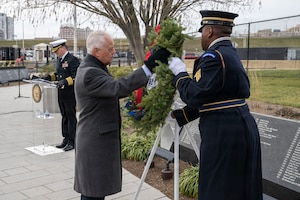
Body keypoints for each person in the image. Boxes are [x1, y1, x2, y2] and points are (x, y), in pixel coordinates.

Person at [168, 10, 263, 200]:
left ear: (209, 31)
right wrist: (181, 116)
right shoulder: (229, 53)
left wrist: (179, 74)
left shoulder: (213, 57)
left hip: (223, 133)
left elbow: (195, 95)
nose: (201, 36)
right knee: (241, 190)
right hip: (240, 126)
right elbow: (216, 97)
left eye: (202, 31)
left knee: (218, 189)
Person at [73, 30, 170, 200]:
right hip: (95, 141)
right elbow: (118, 87)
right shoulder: (90, 72)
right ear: (96, 51)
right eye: (110, 49)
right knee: (92, 194)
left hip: (95, 139)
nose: (114, 52)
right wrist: (147, 68)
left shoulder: (95, 67)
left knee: (95, 191)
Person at [43, 39, 80, 151]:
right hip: (61, 93)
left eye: (57, 50)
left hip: (69, 93)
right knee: (64, 116)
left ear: (63, 48)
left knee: (70, 117)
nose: (55, 53)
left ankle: (72, 141)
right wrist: (49, 77)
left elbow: (76, 76)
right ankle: (66, 138)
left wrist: (65, 81)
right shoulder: (60, 60)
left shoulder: (73, 60)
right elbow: (58, 74)